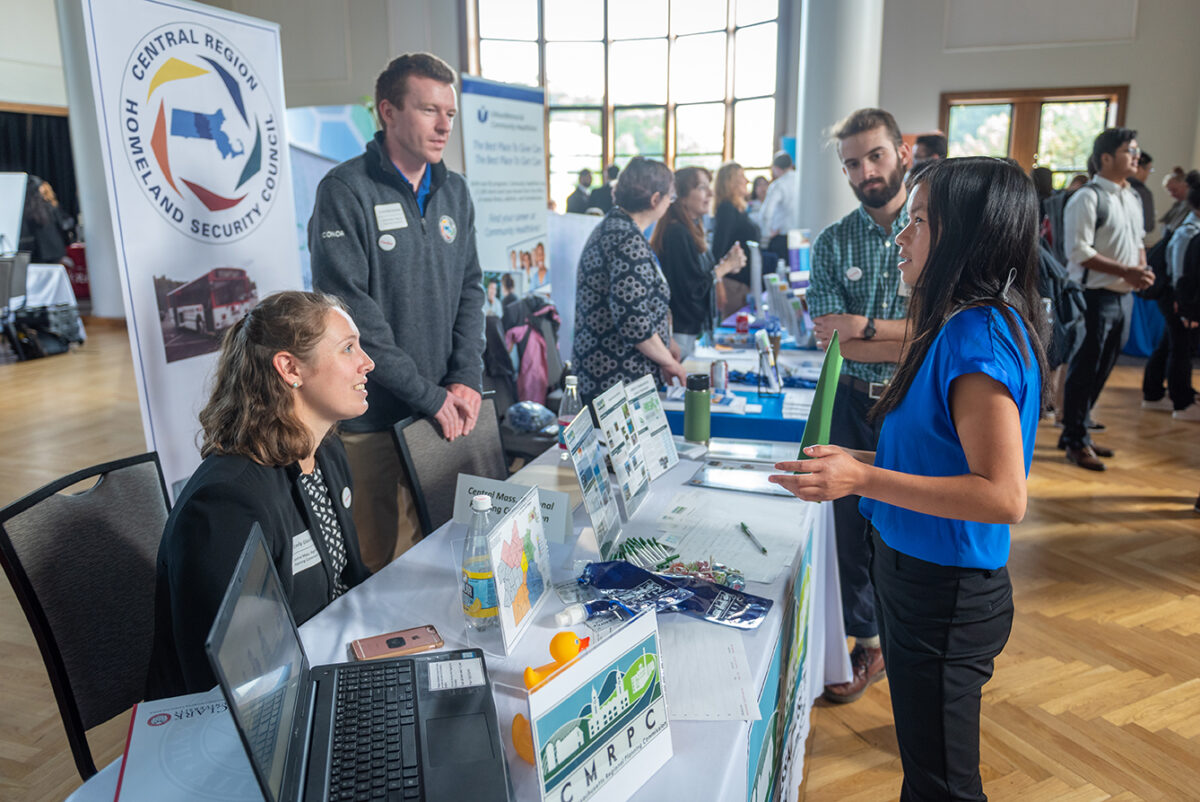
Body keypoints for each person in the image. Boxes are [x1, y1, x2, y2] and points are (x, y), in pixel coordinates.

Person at [771, 157, 1048, 802]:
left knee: (941, 785)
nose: (900, 237)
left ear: (964, 235)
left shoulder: (977, 334)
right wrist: (854, 464)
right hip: (914, 572)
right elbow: (933, 455)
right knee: (926, 774)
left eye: (917, 222)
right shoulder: (953, 323)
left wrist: (862, 478)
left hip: (944, 590)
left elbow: (1003, 495)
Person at [146, 292, 374, 699]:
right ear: (290, 368)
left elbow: (348, 582)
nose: (367, 362)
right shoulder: (225, 504)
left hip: (330, 663)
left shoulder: (327, 453)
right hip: (261, 711)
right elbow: (236, 678)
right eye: (348, 348)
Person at [308, 52, 485, 571]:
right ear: (388, 110)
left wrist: (466, 377)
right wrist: (426, 394)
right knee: (375, 562)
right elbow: (351, 312)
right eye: (429, 110)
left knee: (444, 554)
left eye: (449, 113)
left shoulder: (455, 190)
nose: (444, 125)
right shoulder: (345, 190)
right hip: (374, 416)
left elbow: (470, 290)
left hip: (446, 410)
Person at [807, 107, 912, 704]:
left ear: (902, 152)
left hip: (913, 401)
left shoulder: (933, 231)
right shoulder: (834, 241)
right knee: (851, 530)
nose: (865, 170)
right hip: (851, 400)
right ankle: (870, 641)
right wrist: (896, 331)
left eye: (875, 155)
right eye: (852, 163)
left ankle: (909, 640)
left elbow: (941, 325)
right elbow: (831, 336)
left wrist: (866, 325)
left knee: (909, 521)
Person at [1060, 128, 1154, 471]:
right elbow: (1079, 251)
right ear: (1105, 158)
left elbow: (1138, 240)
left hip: (1123, 296)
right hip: (1093, 296)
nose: (1136, 157)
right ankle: (1074, 440)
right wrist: (1127, 270)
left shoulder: (1132, 196)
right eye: (1130, 150)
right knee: (1085, 368)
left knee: (1104, 367)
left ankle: (1078, 429)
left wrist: (1140, 269)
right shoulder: (1087, 198)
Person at [573, 157, 687, 403]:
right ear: (655, 200)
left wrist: (666, 341)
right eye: (671, 197)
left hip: (611, 374)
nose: (671, 203)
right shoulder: (627, 240)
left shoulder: (617, 228)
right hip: (617, 378)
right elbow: (633, 321)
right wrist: (669, 362)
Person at [649, 166, 746, 358]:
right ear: (682, 196)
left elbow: (698, 274)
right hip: (679, 333)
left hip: (689, 331)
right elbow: (691, 287)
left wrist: (729, 264)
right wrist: (724, 268)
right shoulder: (676, 233)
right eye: (702, 187)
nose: (710, 193)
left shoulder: (691, 230)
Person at [1142, 169, 1200, 421]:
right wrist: (1184, 304)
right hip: (1176, 298)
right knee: (1180, 348)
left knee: (1169, 344)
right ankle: (1182, 403)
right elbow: (1180, 273)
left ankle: (1153, 393)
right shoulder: (1188, 230)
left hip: (1179, 297)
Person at [712, 161, 763, 317]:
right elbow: (718, 249)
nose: (746, 181)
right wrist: (718, 281)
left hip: (743, 284)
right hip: (732, 285)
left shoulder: (738, 209)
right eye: (741, 176)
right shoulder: (727, 209)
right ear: (730, 182)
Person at [760, 151, 800, 259]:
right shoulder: (802, 180)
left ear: (776, 168)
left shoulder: (778, 185)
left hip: (781, 237)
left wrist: (767, 233)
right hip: (800, 236)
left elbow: (766, 212)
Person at [1130, 150, 1156, 236]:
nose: (1148, 174)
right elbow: (1148, 226)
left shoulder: (1116, 185)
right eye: (1149, 170)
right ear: (1140, 169)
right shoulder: (1143, 193)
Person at [1159, 166, 1190, 231]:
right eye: (1169, 191)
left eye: (1174, 190)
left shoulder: (1192, 206)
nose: (1172, 194)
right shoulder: (1177, 205)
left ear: (1185, 185)